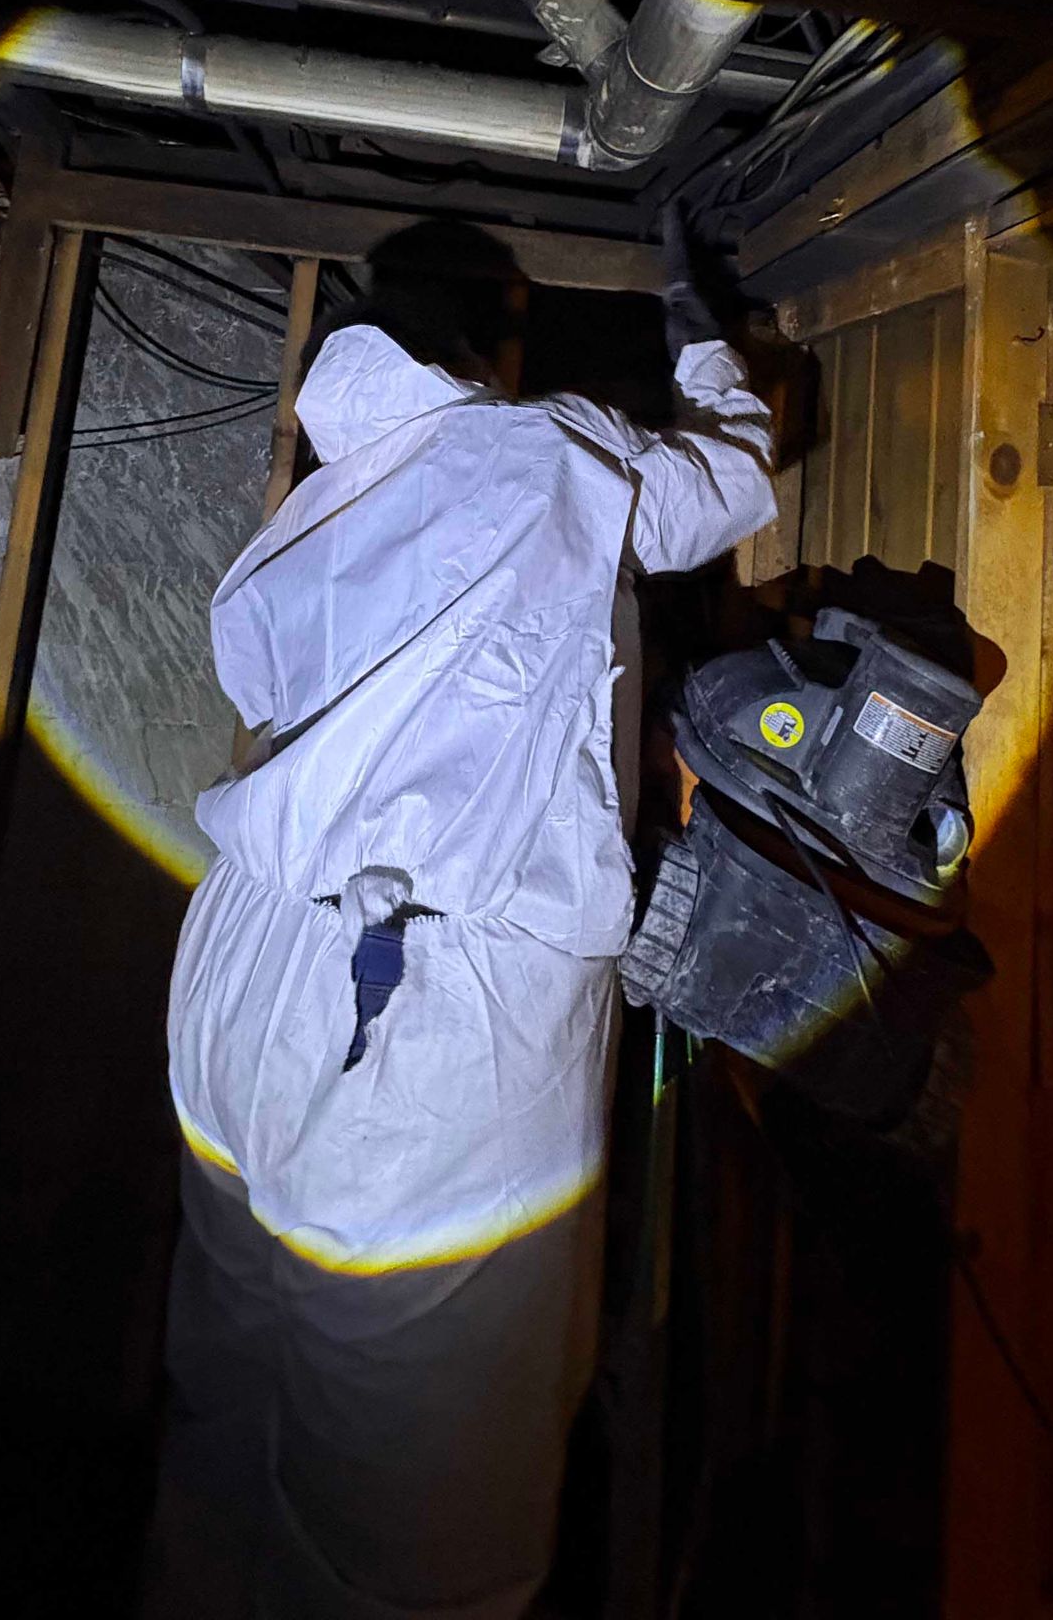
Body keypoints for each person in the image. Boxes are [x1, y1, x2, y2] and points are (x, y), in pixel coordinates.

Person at [141, 220, 776, 1619]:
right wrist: (701, 334)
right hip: (430, 1033)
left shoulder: (319, 501)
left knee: (230, 1424)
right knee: (416, 1550)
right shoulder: (550, 448)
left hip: (245, 979)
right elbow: (732, 481)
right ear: (496, 348)